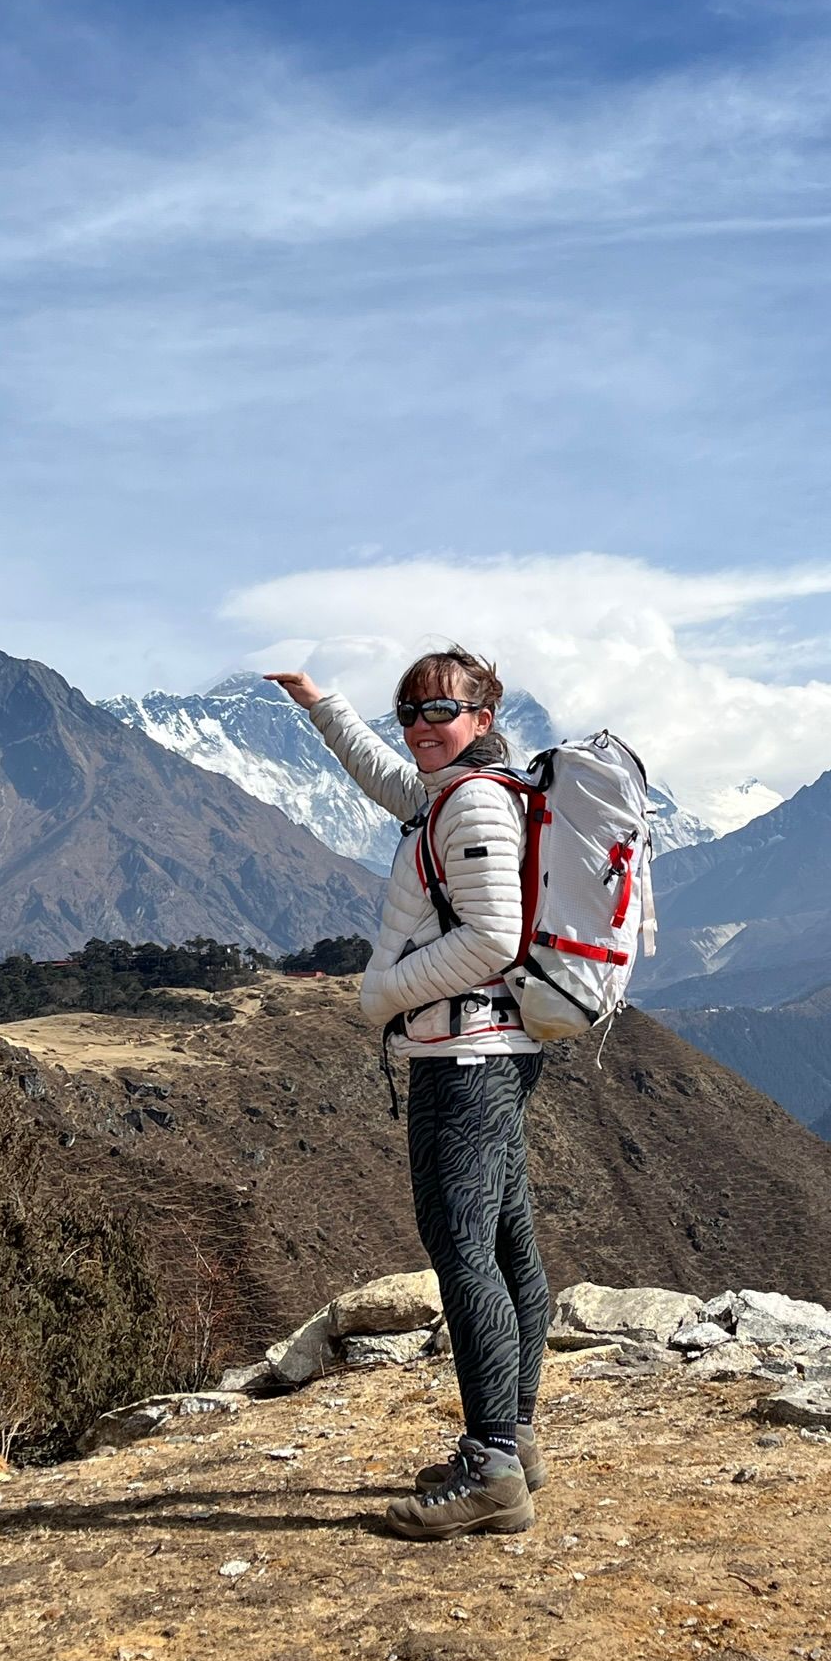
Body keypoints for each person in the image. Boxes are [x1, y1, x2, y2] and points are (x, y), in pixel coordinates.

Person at [263, 648, 549, 1542]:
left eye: (443, 711)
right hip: (489, 1049)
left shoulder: (471, 807)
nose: (424, 727)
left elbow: (495, 937)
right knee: (505, 1240)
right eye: (411, 712)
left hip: (466, 1054)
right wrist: (318, 702)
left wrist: (383, 993)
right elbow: (385, 775)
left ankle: (493, 1464)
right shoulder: (457, 790)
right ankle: (519, 1438)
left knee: (463, 1249)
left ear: (484, 711)